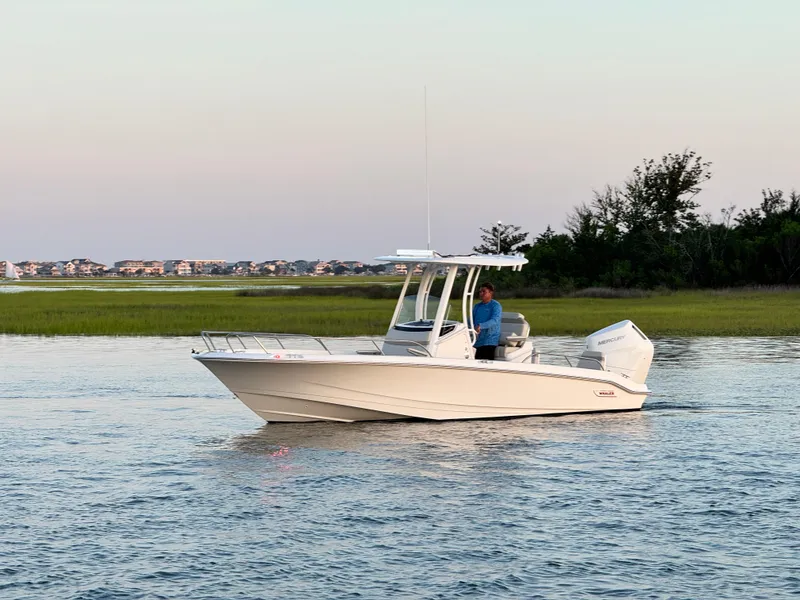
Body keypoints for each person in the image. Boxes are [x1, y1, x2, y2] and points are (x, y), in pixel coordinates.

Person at [472, 282, 502, 360]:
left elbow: (495, 320)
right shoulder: (477, 306)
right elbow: (471, 319)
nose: (481, 293)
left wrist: (481, 326)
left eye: (484, 291)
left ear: (490, 292)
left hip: (489, 340)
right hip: (477, 340)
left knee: (485, 362)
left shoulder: (495, 305)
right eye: (480, 292)